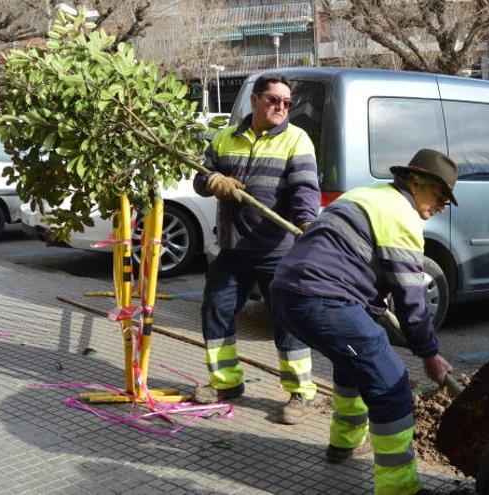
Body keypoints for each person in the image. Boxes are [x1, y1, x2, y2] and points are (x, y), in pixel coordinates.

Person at [270, 149, 456, 495]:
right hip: (323, 299)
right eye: (440, 195)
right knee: (392, 385)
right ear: (415, 184)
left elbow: (354, 270)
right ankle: (399, 488)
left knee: (352, 363)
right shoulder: (402, 216)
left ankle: (345, 442)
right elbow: (411, 303)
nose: (442, 206)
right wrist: (429, 355)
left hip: (286, 293)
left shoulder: (364, 195)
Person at [192, 75, 320, 425]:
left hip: (278, 251)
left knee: (287, 320)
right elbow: (201, 177)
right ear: (255, 100)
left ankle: (300, 393)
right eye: (274, 99)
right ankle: (226, 383)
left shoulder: (296, 140)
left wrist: (308, 223)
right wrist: (211, 181)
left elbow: (306, 190)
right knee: (215, 311)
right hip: (232, 249)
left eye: (287, 102)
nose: (281, 107)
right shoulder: (224, 137)